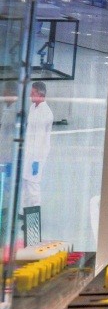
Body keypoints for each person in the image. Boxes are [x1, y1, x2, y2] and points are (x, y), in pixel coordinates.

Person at [22, 81, 53, 211]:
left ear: (40, 94)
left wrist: (36, 160)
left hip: (37, 156)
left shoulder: (46, 113)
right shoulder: (33, 108)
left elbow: (40, 140)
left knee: (33, 185)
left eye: (33, 92)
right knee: (25, 183)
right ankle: (24, 213)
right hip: (28, 152)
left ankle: (34, 218)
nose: (30, 95)